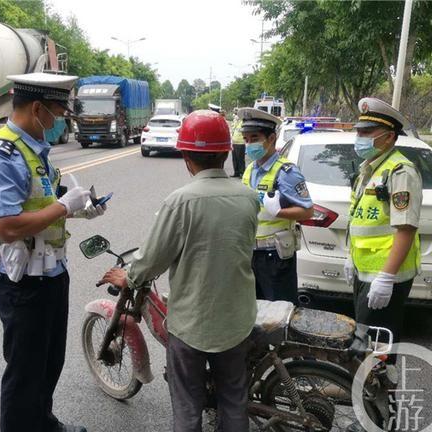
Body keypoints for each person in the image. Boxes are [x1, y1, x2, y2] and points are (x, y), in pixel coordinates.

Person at [99, 110, 259, 432]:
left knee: (187, 406)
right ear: (227, 152)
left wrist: (127, 277)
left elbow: (151, 260)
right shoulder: (249, 197)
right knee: (234, 400)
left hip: (192, 325)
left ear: (187, 157)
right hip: (237, 321)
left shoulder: (180, 202)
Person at [0, 72, 106, 432]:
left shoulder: (35, 150)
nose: (58, 121)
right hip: (23, 281)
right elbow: (8, 225)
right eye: (57, 114)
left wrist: (81, 207)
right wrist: (64, 206)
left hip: (51, 273)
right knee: (25, 370)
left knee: (49, 362)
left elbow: (42, 203)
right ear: (36, 109)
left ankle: (42, 423)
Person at [344, 97, 422, 365]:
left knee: (379, 347)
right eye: (358, 131)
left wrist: (386, 277)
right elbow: (359, 218)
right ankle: (365, 394)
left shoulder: (400, 171)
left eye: (366, 132)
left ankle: (380, 400)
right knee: (364, 339)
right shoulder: (369, 169)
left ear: (389, 137)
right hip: (365, 271)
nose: (359, 137)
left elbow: (405, 229)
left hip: (386, 276)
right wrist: (350, 257)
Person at [238, 108, 314, 304]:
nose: (249, 144)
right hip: (251, 253)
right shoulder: (250, 169)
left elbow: (308, 211)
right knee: (252, 310)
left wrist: (280, 212)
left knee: (279, 313)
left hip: (275, 257)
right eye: (246, 139)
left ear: (271, 138)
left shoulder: (286, 172)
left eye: (254, 138)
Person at [230, 108, 245, 178]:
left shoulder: (243, 122)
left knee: (240, 159)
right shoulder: (235, 121)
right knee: (234, 158)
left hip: (240, 142)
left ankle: (242, 173)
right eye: (235, 113)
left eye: (236, 114)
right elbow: (233, 130)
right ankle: (236, 172)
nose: (235, 115)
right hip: (234, 142)